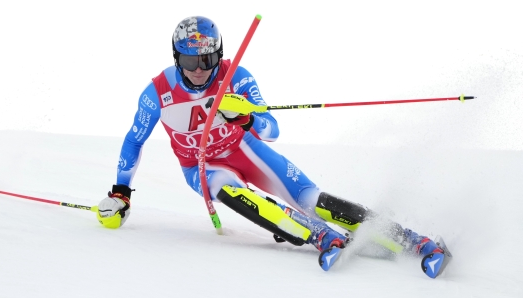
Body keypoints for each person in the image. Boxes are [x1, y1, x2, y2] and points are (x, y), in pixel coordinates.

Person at [96, 16, 443, 260]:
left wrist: (245, 116)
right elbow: (134, 140)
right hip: (202, 166)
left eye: (207, 58)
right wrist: (121, 193)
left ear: (218, 55)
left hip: (245, 149)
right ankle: (314, 234)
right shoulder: (157, 92)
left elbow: (271, 129)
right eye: (190, 59)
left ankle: (411, 240)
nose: (199, 68)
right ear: (176, 57)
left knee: (311, 198)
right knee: (230, 191)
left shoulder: (236, 76)